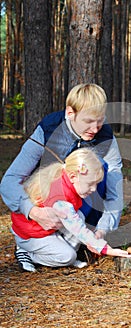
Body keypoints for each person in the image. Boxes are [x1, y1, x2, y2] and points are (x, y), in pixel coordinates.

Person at [0, 83, 124, 271]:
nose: (96, 128)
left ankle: (82, 234)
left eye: (100, 120)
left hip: (78, 207)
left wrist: (103, 228)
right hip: (46, 206)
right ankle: (29, 246)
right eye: (88, 121)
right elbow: (10, 180)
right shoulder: (48, 130)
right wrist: (33, 212)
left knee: (101, 168)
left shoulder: (106, 137)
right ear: (70, 113)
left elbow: (115, 191)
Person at [10, 148, 131, 272]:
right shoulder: (60, 199)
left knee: (80, 216)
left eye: (96, 184)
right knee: (67, 256)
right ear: (73, 177)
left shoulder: (67, 180)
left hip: (49, 228)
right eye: (90, 184)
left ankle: (64, 253)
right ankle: (27, 253)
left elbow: (75, 221)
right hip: (32, 236)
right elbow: (78, 229)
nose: (94, 189)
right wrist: (108, 250)